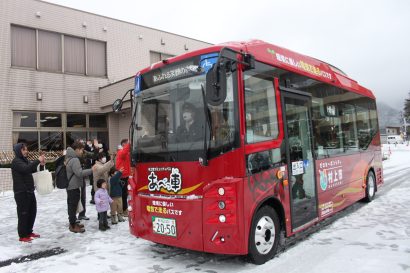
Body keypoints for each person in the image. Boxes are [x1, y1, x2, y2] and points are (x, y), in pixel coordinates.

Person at [11, 143, 45, 242]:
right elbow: (26, 169)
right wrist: (37, 160)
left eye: (26, 149)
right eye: (23, 150)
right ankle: (22, 235)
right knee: (23, 214)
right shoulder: (16, 162)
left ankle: (29, 231)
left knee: (32, 212)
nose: (26, 151)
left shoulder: (25, 161)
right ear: (18, 151)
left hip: (29, 191)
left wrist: (41, 165)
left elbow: (33, 170)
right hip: (21, 192)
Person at [66, 141, 96, 233]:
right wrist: (91, 170)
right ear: (77, 149)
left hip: (70, 186)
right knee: (73, 206)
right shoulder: (75, 159)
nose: (82, 152)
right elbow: (79, 173)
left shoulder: (69, 157)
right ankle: (73, 225)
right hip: (73, 186)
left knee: (72, 205)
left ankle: (74, 222)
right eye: (81, 150)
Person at [116, 139, 131, 214]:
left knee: (125, 193)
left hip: (126, 175)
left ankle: (123, 209)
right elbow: (124, 152)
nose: (128, 145)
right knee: (123, 194)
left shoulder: (125, 152)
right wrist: (130, 142)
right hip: (122, 176)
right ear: (123, 144)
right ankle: (123, 210)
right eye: (126, 144)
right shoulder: (121, 152)